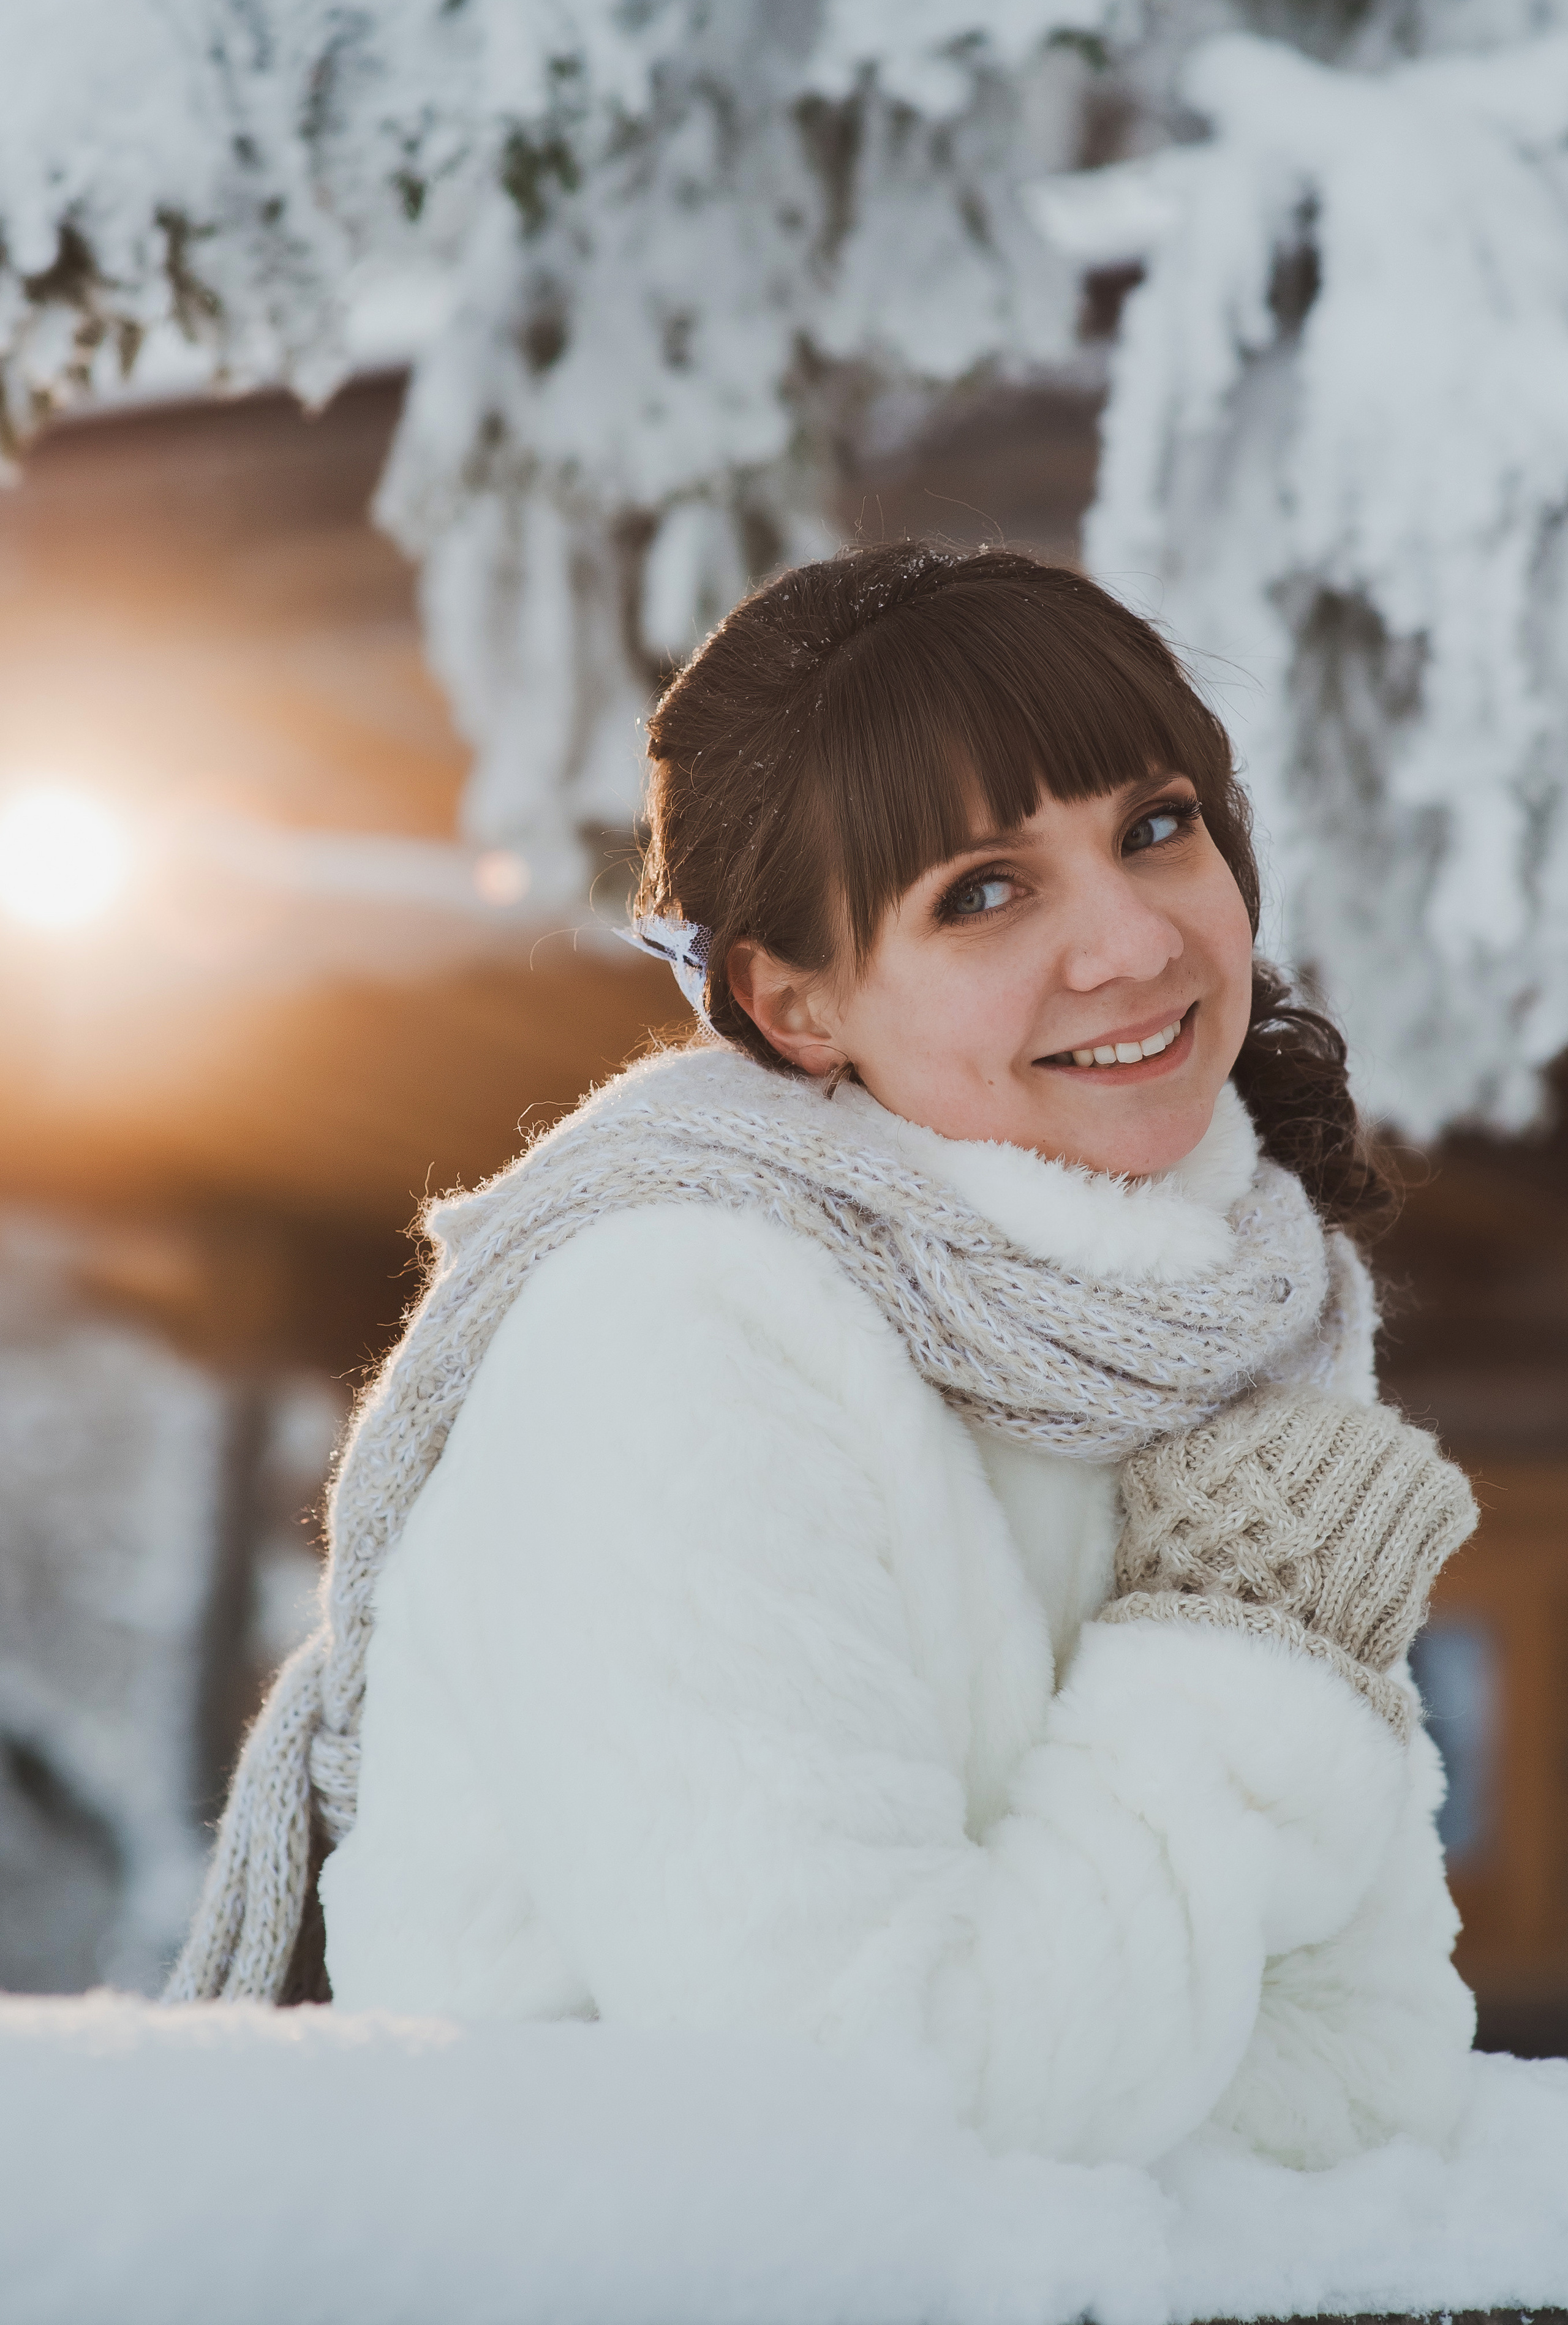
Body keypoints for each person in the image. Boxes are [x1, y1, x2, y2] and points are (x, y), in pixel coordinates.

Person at [171, 545, 1477, 2172]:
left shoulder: (1226, 1339)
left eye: (1157, 826)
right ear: (795, 1005)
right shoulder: (677, 1340)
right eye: (982, 893)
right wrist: (1240, 1650)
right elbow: (871, 2117)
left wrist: (1130, 2064)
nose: (1135, 944)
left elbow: (1365, 2090)